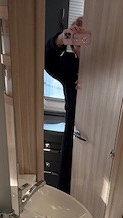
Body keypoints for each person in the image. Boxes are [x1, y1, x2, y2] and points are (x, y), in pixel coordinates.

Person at [44, 18, 86, 194]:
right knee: (67, 183)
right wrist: (62, 37)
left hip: (102, 135)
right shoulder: (69, 64)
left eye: (85, 37)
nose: (80, 43)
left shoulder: (108, 65)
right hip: (74, 130)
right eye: (76, 38)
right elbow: (47, 61)